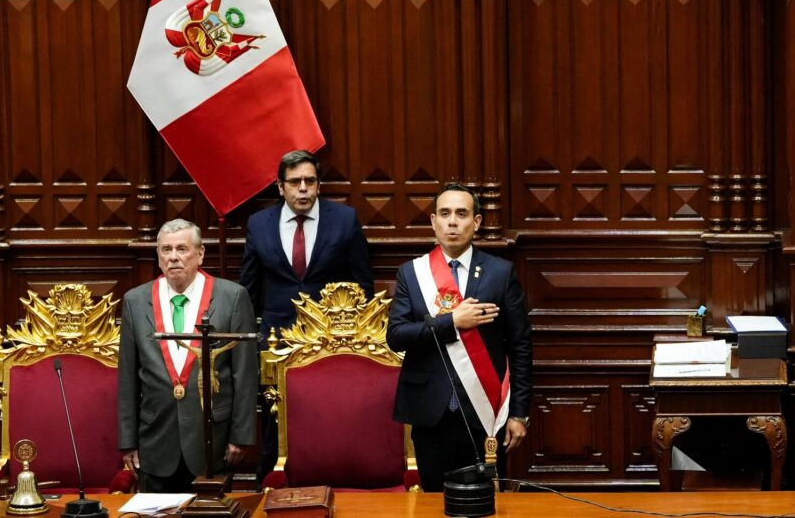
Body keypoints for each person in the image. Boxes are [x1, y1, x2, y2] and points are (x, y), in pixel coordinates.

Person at [239, 149, 374, 483]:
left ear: (318, 185)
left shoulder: (344, 220)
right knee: (275, 424)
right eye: (295, 182)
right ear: (280, 187)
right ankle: (268, 487)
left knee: (327, 419)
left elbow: (363, 285)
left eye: (309, 181)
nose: (303, 189)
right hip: (278, 342)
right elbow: (249, 288)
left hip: (332, 342)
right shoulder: (259, 224)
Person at [387, 183, 533, 492]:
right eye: (445, 213)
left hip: (486, 413)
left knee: (486, 503)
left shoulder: (500, 273)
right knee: (433, 507)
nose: (453, 221)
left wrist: (519, 413)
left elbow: (520, 347)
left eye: (462, 214)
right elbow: (397, 336)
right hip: (431, 414)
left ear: (476, 222)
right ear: (433, 221)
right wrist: (452, 321)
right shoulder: (411, 274)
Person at [118, 219, 258, 492]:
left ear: (200, 254)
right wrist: (128, 442)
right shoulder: (135, 301)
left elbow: (245, 374)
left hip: (212, 441)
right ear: (158, 256)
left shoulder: (232, 297)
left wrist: (240, 437)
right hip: (155, 439)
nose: (173, 257)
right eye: (166, 249)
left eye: (182, 249)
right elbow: (127, 378)